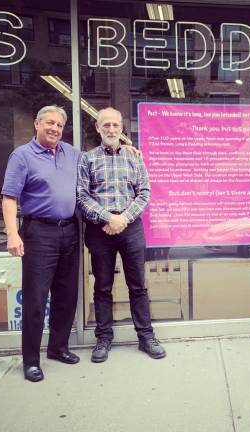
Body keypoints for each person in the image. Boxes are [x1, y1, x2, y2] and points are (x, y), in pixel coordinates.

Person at [77, 107, 166, 363]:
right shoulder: (87, 159)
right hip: (100, 230)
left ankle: (146, 337)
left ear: (122, 128)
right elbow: (81, 195)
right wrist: (108, 218)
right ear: (98, 128)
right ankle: (103, 338)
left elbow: (145, 192)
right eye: (106, 125)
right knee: (102, 287)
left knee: (137, 286)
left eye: (116, 125)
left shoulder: (134, 158)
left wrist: (123, 219)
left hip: (130, 228)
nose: (111, 130)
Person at [1, 105, 80, 383]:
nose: (54, 129)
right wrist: (13, 234)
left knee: (66, 295)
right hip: (39, 232)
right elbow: (9, 198)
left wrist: (127, 149)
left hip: (70, 231)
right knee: (36, 300)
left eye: (59, 125)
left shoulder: (71, 153)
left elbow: (99, 161)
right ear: (36, 123)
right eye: (49, 123)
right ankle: (31, 361)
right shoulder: (22, 156)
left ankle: (58, 348)